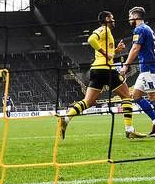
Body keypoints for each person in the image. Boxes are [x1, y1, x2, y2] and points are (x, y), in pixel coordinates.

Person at [59, 11, 148, 140]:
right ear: (107, 19)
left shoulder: (107, 33)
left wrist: (116, 50)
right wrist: (106, 53)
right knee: (126, 96)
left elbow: (104, 50)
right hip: (106, 69)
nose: (114, 20)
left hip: (96, 70)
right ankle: (129, 130)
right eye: (112, 17)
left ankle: (66, 118)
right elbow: (91, 39)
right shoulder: (104, 29)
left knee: (88, 101)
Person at [119, 7, 155, 137]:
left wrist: (126, 66)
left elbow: (135, 48)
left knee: (154, 97)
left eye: (130, 16)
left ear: (135, 16)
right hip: (146, 68)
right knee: (136, 96)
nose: (129, 19)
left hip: (149, 68)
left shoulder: (139, 29)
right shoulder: (148, 28)